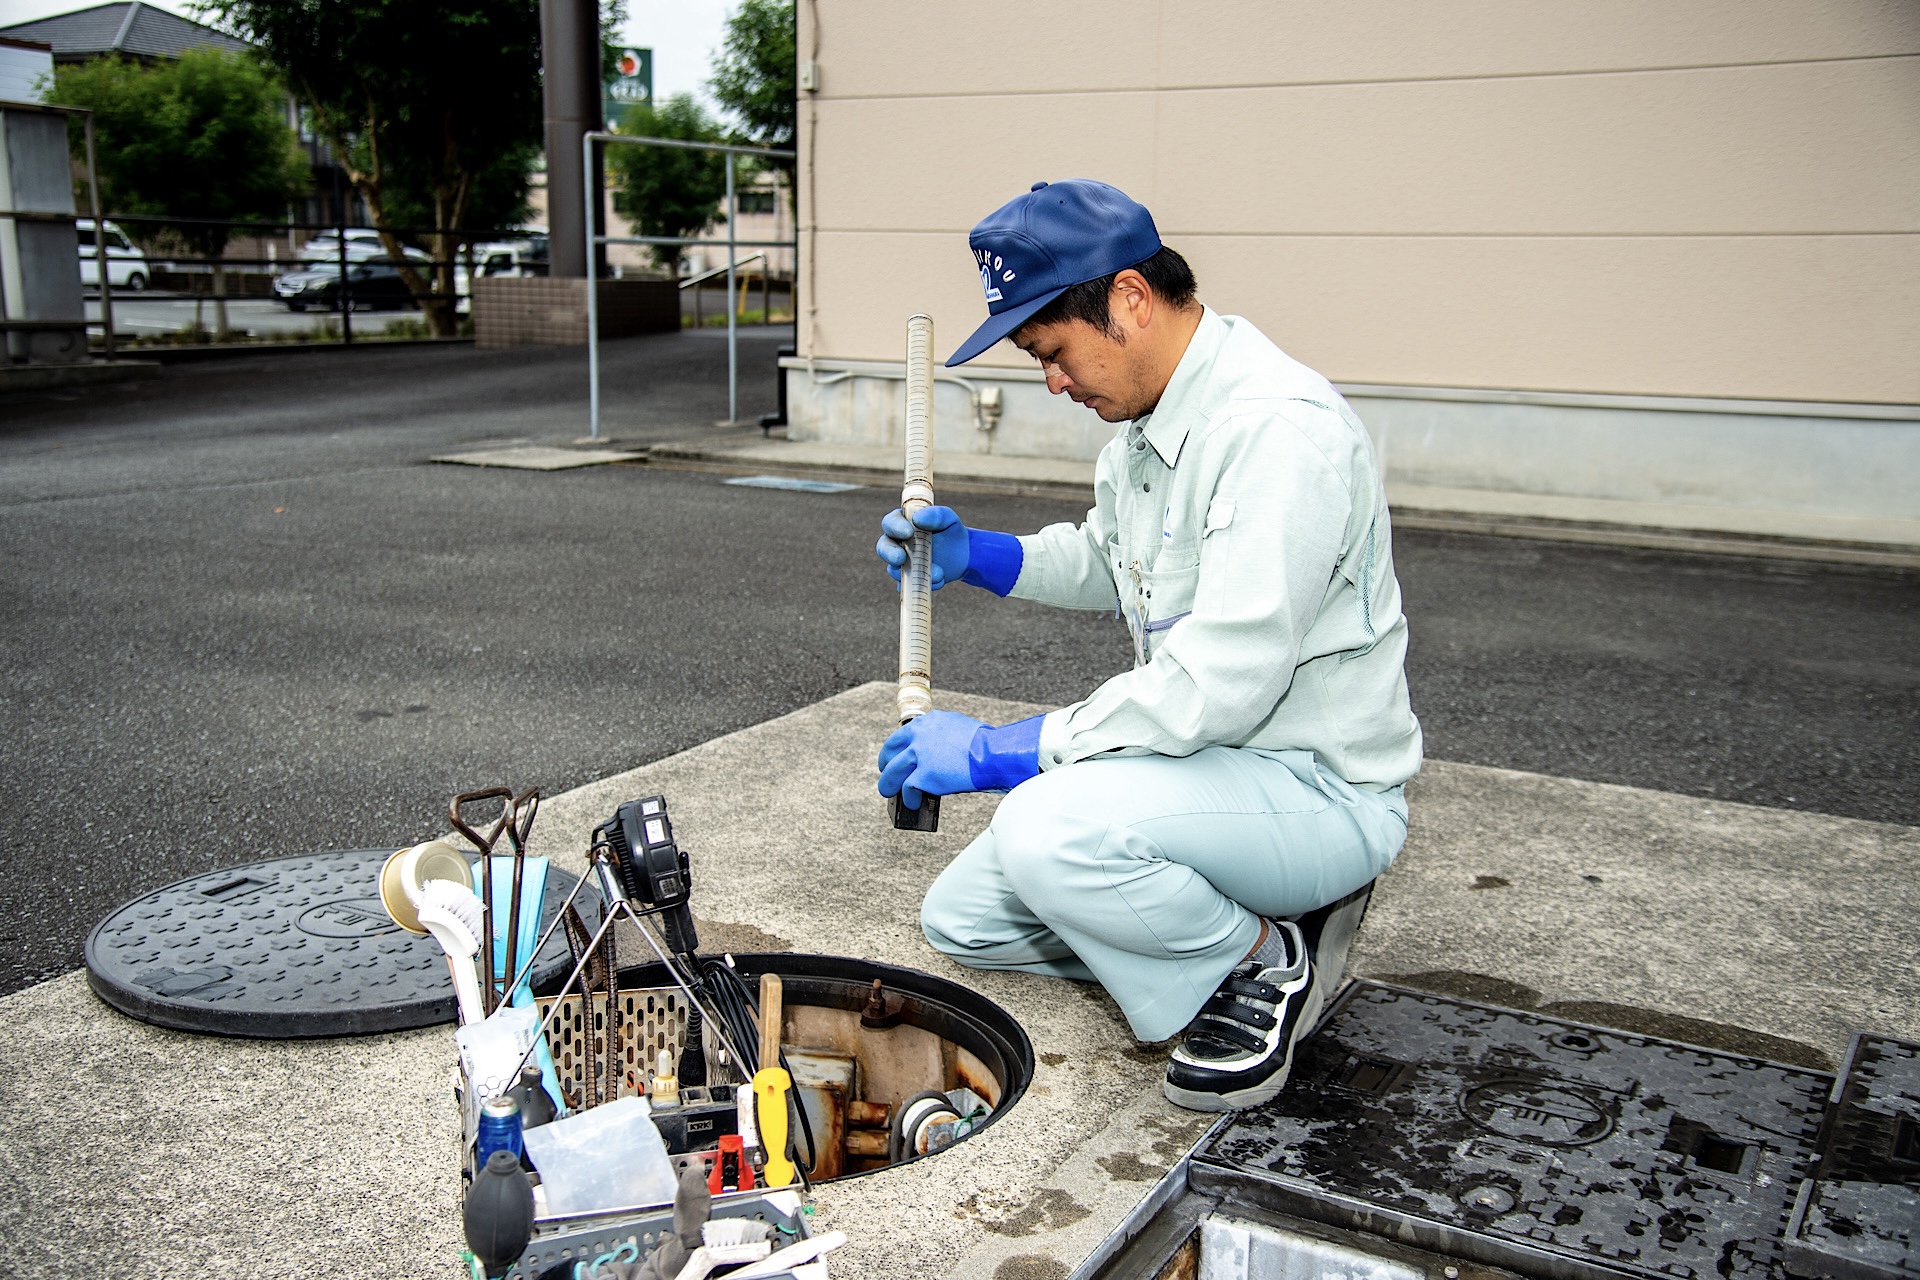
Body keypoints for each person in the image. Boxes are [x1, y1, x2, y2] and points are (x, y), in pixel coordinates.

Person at [875, 179, 1422, 1111]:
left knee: (1046, 826)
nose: (1051, 380)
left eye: (1053, 351)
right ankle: (1209, 920)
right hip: (1209, 773)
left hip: (1315, 789)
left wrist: (999, 753)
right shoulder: (1145, 422)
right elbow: (1111, 556)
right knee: (959, 919)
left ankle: (1264, 956)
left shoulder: (1274, 431)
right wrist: (975, 557)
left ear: (1129, 297)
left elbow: (1216, 684)